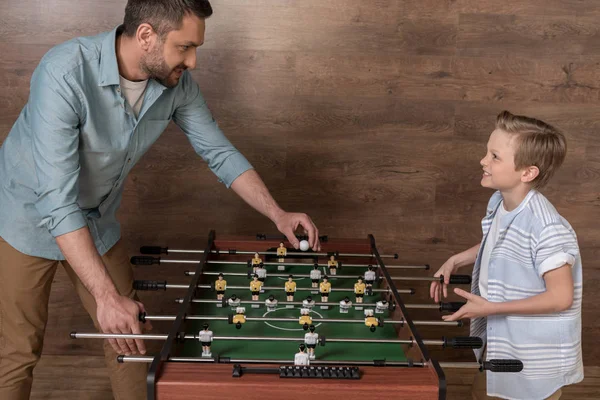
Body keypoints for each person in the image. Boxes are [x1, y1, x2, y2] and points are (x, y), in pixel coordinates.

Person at [0, 1, 321, 399]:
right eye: (185, 47)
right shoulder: (63, 72)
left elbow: (218, 152)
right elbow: (57, 201)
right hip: (26, 217)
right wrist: (105, 296)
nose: (194, 61)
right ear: (147, 36)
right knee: (17, 352)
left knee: (129, 342)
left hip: (95, 219)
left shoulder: (176, 85)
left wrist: (278, 213)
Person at [430, 111, 583, 400]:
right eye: (487, 152)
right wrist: (457, 259)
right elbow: (501, 242)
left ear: (527, 172)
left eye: (495, 156)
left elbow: (561, 297)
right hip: (504, 342)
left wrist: (491, 309)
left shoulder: (546, 226)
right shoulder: (501, 201)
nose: (483, 161)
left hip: (533, 359)